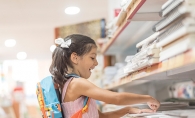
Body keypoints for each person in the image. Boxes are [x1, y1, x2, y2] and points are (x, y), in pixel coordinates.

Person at [49, 34, 160, 118]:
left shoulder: (68, 84)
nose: (96, 63)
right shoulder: (77, 83)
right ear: (75, 58)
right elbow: (116, 98)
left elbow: (101, 117)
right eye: (92, 58)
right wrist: (148, 98)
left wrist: (127, 110)